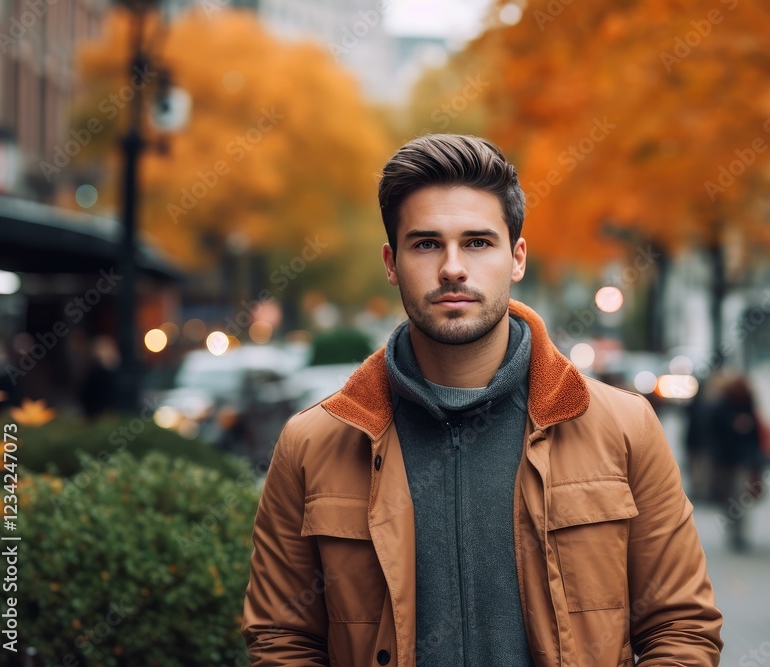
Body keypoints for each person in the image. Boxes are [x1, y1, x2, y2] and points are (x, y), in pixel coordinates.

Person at [241, 134, 723, 666]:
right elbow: (280, 640)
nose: (452, 267)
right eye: (426, 243)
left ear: (516, 258)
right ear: (391, 263)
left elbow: (681, 628)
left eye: (477, 242)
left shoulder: (625, 429)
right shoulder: (313, 444)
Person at [708, 373, 765, 553]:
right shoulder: (721, 406)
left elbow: (755, 434)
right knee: (730, 497)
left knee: (740, 496)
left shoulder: (748, 404)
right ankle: (734, 532)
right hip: (726, 459)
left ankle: (739, 533)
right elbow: (713, 432)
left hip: (743, 459)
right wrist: (732, 425)